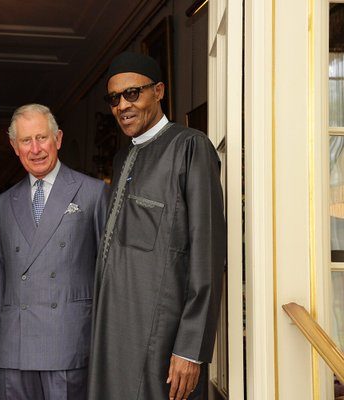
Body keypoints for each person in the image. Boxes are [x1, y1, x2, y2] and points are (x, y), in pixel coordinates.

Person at [88, 52, 226, 400]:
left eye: (133, 93)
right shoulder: (123, 159)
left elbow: (207, 252)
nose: (122, 105)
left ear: (159, 91)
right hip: (115, 334)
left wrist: (191, 348)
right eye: (114, 98)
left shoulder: (190, 146)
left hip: (163, 341)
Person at [0, 104, 109, 400]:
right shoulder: (3, 203)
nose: (35, 149)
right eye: (26, 141)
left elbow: (109, 274)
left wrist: (105, 343)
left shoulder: (93, 193)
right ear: (14, 147)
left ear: (58, 138)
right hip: (14, 347)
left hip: (69, 342)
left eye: (42, 138)